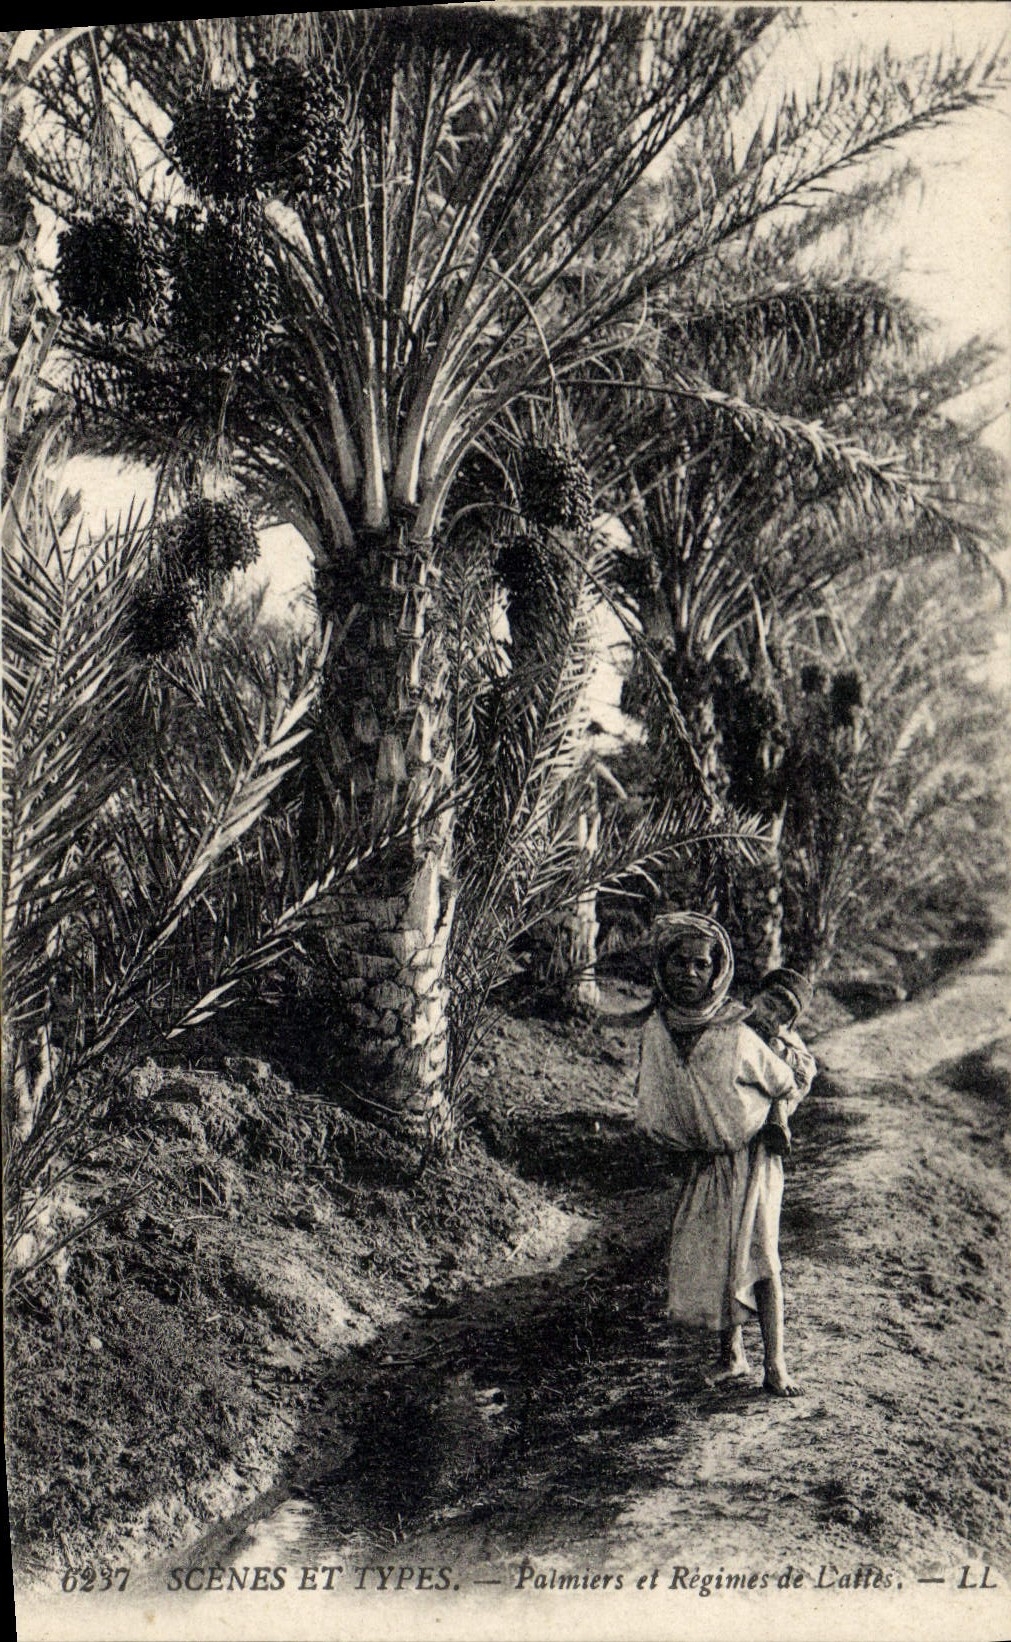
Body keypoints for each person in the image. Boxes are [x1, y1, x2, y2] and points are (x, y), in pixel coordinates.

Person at [633, 912, 814, 1396]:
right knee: (715, 1256)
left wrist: (766, 1119)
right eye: (679, 962)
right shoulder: (658, 1032)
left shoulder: (737, 1030)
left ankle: (775, 1363)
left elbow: (785, 1081)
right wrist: (682, 1141)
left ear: (717, 971)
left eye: (700, 964)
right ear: (662, 966)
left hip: (753, 1158)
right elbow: (655, 1102)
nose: (689, 973)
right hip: (703, 1162)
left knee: (760, 1256)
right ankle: (731, 1356)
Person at [745, 968, 816, 1157]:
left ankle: (779, 1127)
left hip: (760, 1119)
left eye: (782, 1019)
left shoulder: (783, 1039)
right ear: (753, 996)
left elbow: (806, 1070)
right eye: (768, 1005)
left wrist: (784, 1053)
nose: (771, 1018)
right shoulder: (734, 1021)